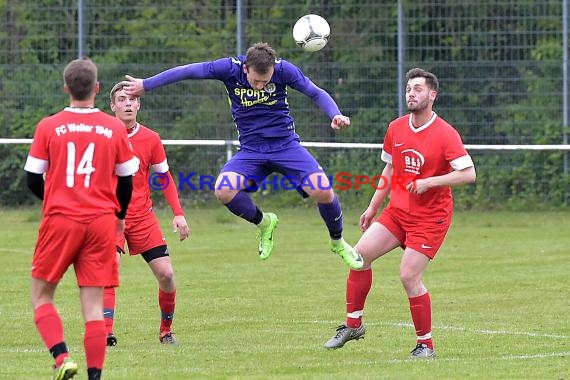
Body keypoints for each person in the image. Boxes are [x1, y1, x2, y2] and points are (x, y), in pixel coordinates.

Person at [123, 42, 363, 269]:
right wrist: (146, 84)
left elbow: (315, 92)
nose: (260, 86)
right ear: (246, 68)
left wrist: (335, 114)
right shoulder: (229, 69)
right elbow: (188, 71)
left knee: (323, 190)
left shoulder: (284, 70)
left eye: (265, 81)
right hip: (251, 150)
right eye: (256, 81)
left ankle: (338, 242)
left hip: (286, 145)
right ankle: (264, 223)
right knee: (223, 190)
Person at [323, 68, 476, 358]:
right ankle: (353, 325)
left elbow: (469, 174)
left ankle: (425, 345)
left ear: (432, 95)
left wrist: (431, 182)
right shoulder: (396, 127)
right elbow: (390, 170)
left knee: (408, 276)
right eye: (409, 88)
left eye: (418, 89)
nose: (411, 93)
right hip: (397, 212)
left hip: (431, 219)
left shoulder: (446, 134)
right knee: (358, 258)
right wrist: (372, 206)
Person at [24, 58, 139, 380]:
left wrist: (56, 200)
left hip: (61, 219)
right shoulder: (114, 127)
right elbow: (127, 180)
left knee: (42, 296)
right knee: (92, 308)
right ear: (97, 89)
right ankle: (94, 376)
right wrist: (118, 215)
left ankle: (62, 358)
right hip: (101, 222)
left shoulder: (49, 126)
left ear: (66, 89)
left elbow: (33, 178)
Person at [104, 81, 190, 346]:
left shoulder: (150, 138)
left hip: (142, 216)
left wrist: (178, 212)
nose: (127, 103)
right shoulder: (102, 134)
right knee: (110, 268)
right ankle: (106, 333)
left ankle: (166, 332)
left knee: (166, 274)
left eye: (131, 99)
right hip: (109, 216)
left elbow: (164, 177)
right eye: (121, 99)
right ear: (112, 106)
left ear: (139, 104)